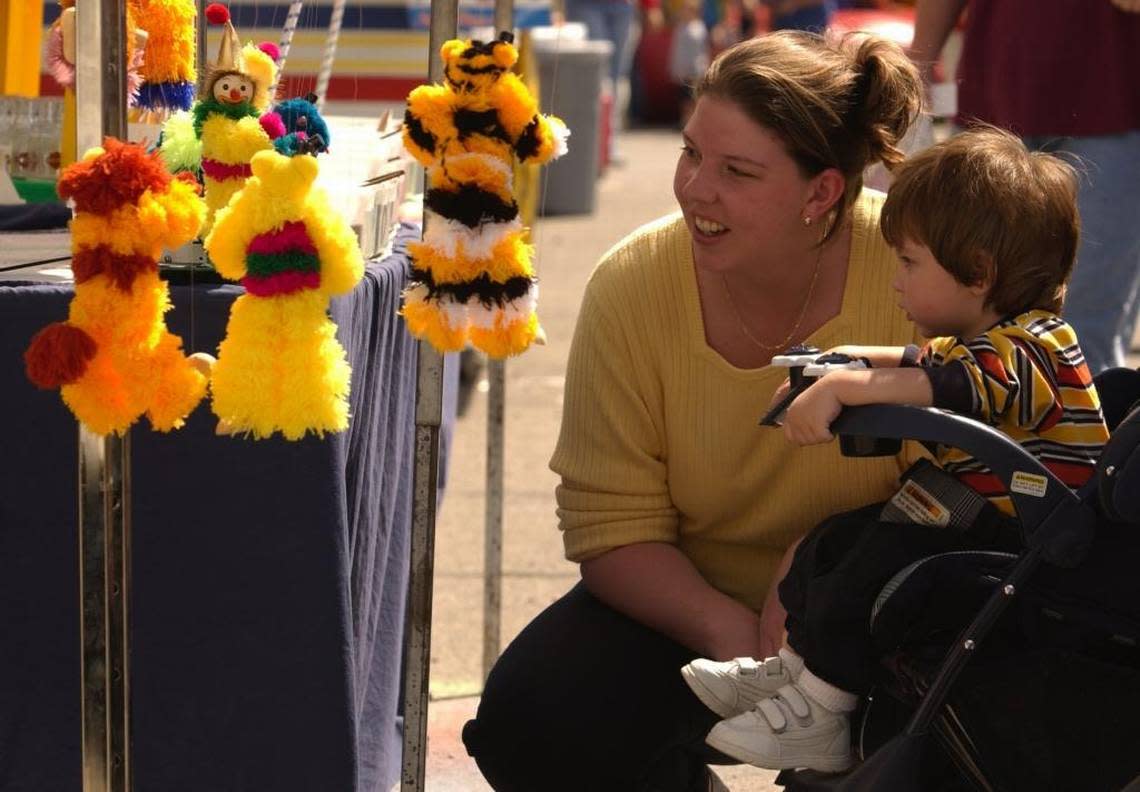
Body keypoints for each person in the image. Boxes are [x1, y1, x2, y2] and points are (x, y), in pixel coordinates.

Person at [461, 30, 924, 791]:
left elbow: (967, 493)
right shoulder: (635, 284)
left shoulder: (915, 275)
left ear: (822, 193)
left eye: (737, 171)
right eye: (691, 153)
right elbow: (611, 526)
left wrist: (819, 564)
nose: (695, 188)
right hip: (687, 609)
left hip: (870, 613)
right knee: (533, 717)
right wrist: (731, 639)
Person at [684, 127, 1111, 772]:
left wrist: (850, 388)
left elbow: (951, 383)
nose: (895, 281)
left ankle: (822, 714)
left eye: (910, 263)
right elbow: (919, 361)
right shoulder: (989, 336)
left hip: (1025, 545)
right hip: (973, 519)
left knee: (876, 566)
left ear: (978, 272)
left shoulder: (1035, 348)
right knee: (835, 543)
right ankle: (793, 675)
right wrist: (840, 362)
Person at [909, 0, 1140, 374]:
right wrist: (918, 63)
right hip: (994, 98)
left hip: (1117, 108)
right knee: (956, 306)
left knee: (1083, 334)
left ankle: (1085, 431)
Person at [668, 0, 709, 126]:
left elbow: (702, 49)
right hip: (682, 69)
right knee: (683, 97)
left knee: (692, 97)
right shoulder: (680, 27)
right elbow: (676, 50)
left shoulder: (699, 28)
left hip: (695, 68)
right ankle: (685, 120)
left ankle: (692, 121)